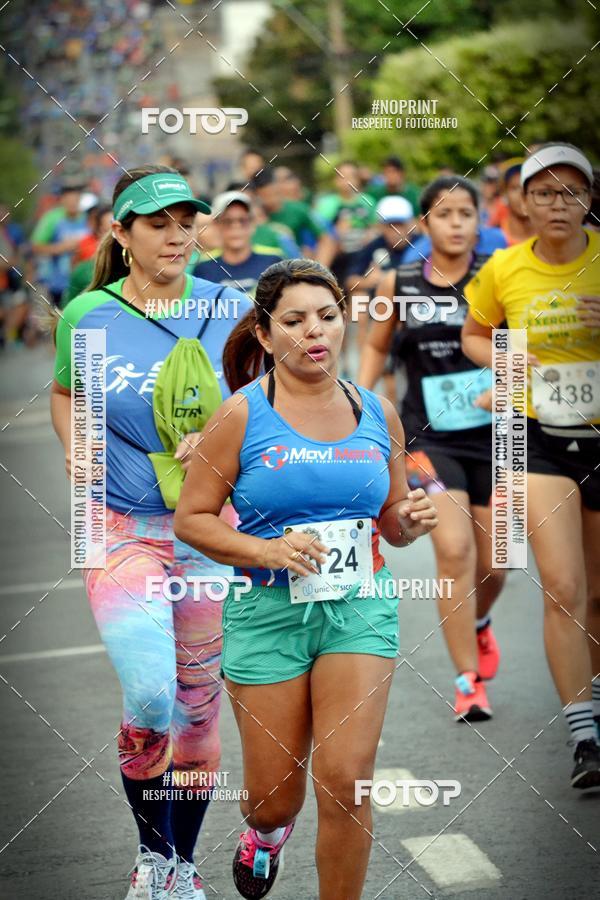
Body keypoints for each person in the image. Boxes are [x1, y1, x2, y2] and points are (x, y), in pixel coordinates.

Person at [173, 258, 438, 900]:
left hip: (358, 606)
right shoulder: (240, 415)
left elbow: (392, 521)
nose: (313, 331)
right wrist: (266, 551)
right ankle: (264, 836)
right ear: (265, 335)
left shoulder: (378, 411)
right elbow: (192, 519)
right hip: (268, 614)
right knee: (272, 799)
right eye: (293, 321)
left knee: (347, 781)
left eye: (326, 316)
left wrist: (411, 518)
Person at [50, 164, 253, 899]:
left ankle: (184, 866)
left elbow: (265, 403)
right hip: (118, 524)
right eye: (156, 223)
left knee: (197, 712)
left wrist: (224, 444)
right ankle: (151, 853)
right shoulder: (89, 316)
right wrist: (76, 445)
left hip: (207, 531)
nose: (175, 235)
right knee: (148, 694)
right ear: (122, 233)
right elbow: (67, 393)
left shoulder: (231, 309)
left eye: (184, 221)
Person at [462, 143, 600, 788]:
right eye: (544, 192)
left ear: (590, 199)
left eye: (571, 192)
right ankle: (585, 737)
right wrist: (504, 361)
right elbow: (474, 331)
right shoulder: (504, 268)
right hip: (537, 436)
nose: (558, 204)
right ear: (522, 201)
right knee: (565, 589)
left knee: (598, 594)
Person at [358, 175, 507, 722]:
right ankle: (467, 681)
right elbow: (375, 347)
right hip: (429, 438)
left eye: (466, 213)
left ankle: (480, 621)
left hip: (499, 436)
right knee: (456, 553)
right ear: (425, 223)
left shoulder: (499, 279)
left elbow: (521, 347)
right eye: (444, 214)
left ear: (480, 219)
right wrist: (360, 404)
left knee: (497, 564)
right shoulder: (398, 282)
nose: (456, 223)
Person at [193, 192, 284, 297]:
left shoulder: (274, 260)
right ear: (217, 225)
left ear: (253, 224)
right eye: (228, 221)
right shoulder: (203, 267)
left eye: (243, 220)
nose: (236, 227)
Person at [31, 177, 90, 307]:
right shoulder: (52, 218)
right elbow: (36, 247)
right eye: (69, 200)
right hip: (59, 282)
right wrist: (61, 248)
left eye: (76, 199)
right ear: (62, 200)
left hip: (85, 279)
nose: (73, 203)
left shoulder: (88, 218)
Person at [251, 167, 329, 259]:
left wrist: (319, 267)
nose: (271, 200)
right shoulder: (252, 215)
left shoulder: (298, 209)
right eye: (266, 196)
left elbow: (326, 239)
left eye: (274, 193)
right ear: (257, 195)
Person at [65, 204, 113, 304]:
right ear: (100, 231)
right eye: (108, 231)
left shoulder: (135, 267)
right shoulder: (83, 270)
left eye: (120, 229)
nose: (115, 237)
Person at [489, 159, 534, 246]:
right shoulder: (492, 238)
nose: (522, 194)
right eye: (515, 188)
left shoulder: (549, 237)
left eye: (526, 187)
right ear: (504, 193)